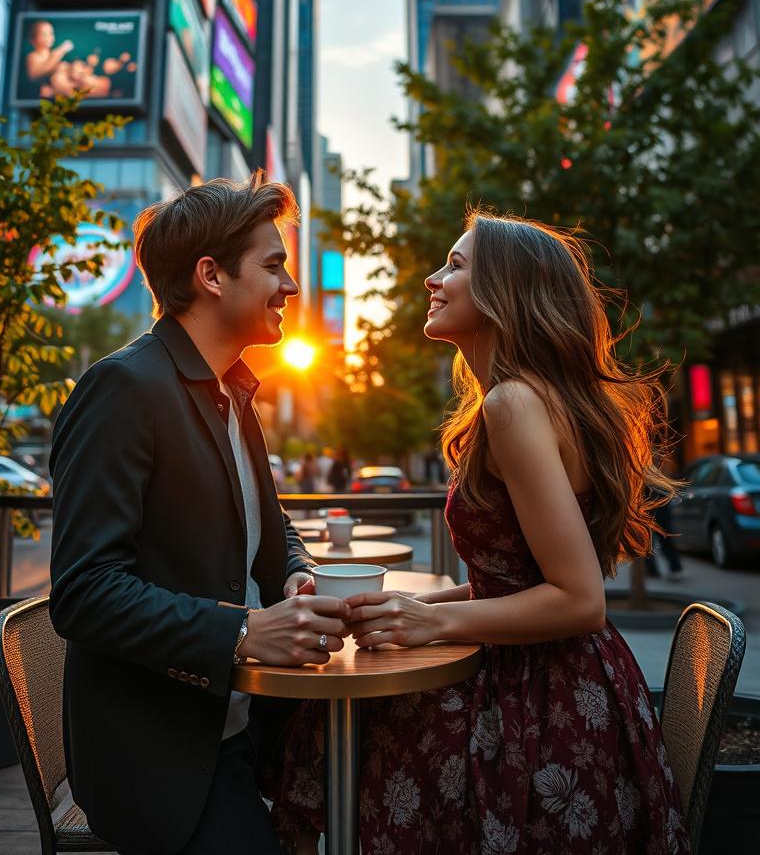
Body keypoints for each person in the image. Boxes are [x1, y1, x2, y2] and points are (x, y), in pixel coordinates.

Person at [271, 210, 690, 854]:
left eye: (455, 265)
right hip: (560, 688)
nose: (434, 280)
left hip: (539, 709)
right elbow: (511, 583)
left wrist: (431, 623)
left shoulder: (513, 403)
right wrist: (408, 608)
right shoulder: (531, 397)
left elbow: (579, 601)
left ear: (505, 291)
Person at [49, 173, 351, 855]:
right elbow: (83, 593)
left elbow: (272, 529)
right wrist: (243, 631)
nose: (291, 287)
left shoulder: (232, 390)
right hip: (165, 759)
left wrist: (297, 574)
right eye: (274, 266)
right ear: (212, 275)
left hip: (245, 728)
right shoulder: (123, 388)